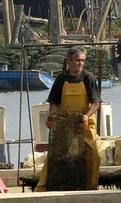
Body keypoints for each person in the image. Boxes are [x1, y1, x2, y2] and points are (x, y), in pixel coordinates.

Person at [40, 48, 102, 191]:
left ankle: (92, 187)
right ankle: (42, 187)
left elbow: (96, 103)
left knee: (93, 154)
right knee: (55, 155)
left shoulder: (88, 78)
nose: (80, 63)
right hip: (64, 123)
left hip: (84, 123)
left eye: (82, 61)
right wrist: (53, 116)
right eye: (77, 60)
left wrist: (86, 116)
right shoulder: (61, 79)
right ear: (69, 62)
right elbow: (54, 102)